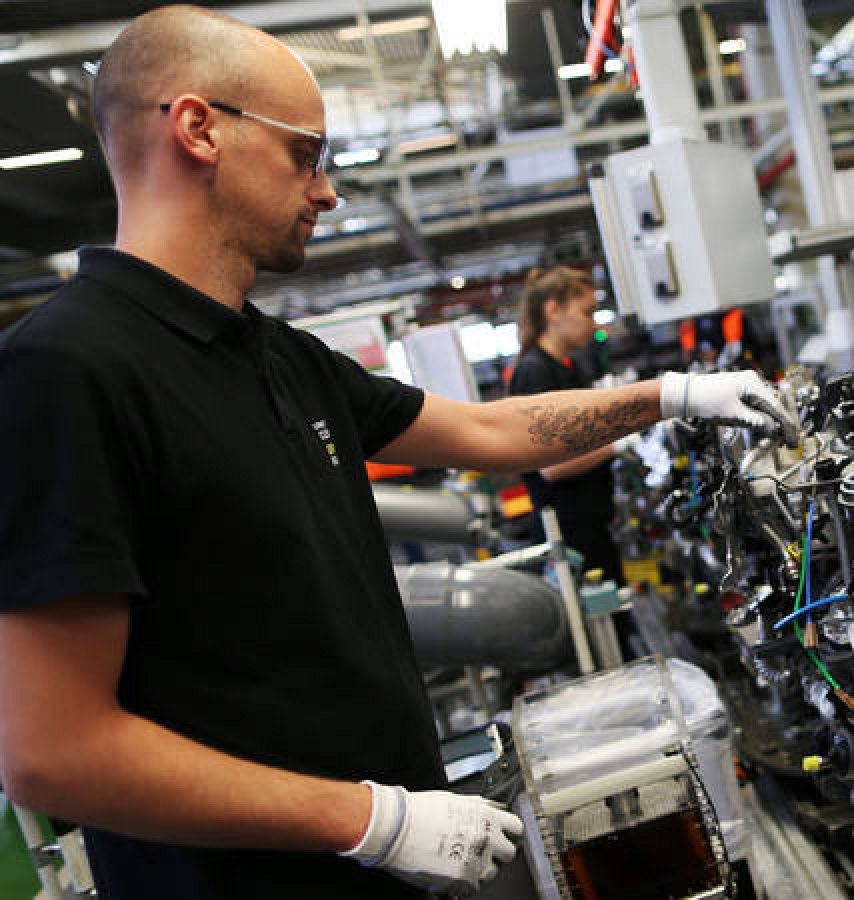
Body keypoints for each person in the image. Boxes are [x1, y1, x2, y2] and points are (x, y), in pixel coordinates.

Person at [0, 7, 797, 900]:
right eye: (307, 153)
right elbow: (51, 752)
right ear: (199, 129)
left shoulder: (276, 355)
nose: (327, 190)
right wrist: (372, 821)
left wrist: (672, 395)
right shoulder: (67, 370)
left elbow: (488, 432)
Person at [509, 267, 623, 584]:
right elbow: (552, 467)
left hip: (590, 528)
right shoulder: (535, 372)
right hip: (568, 537)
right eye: (587, 312)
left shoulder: (567, 368)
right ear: (553, 309)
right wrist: (619, 443)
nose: (594, 323)